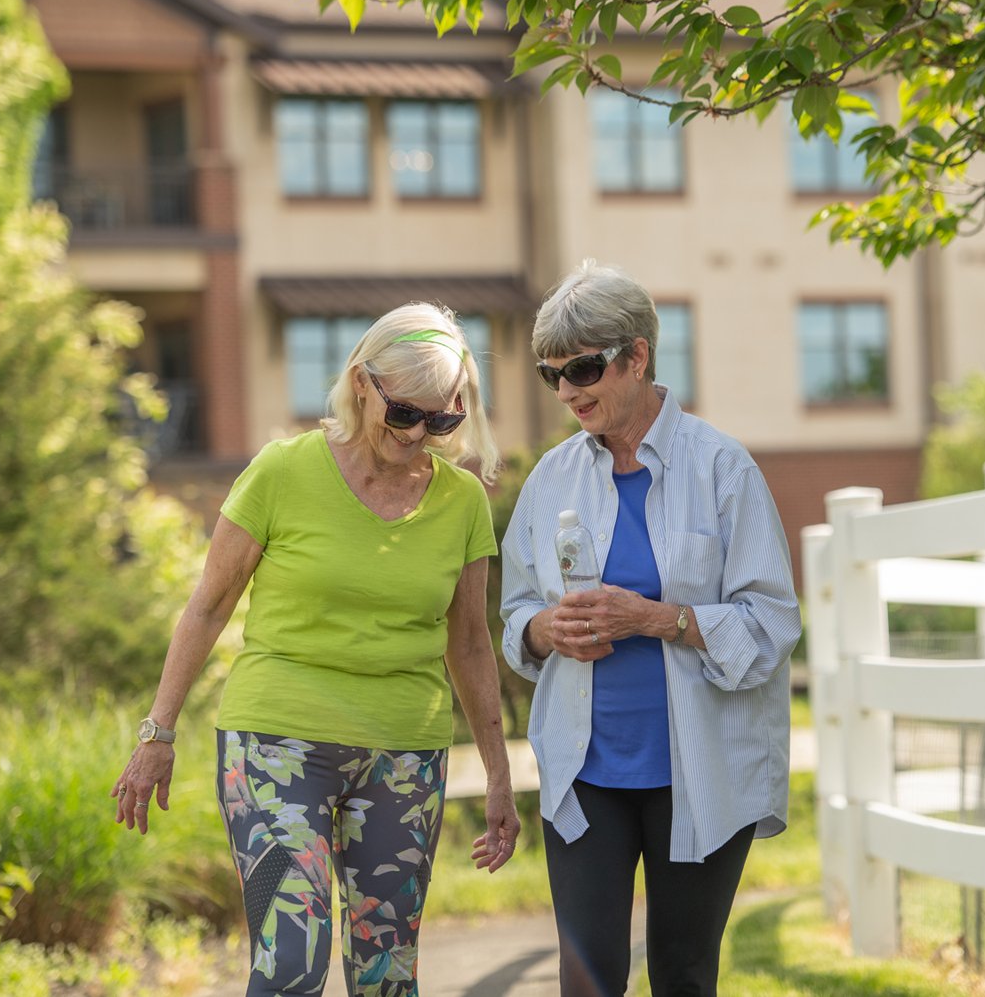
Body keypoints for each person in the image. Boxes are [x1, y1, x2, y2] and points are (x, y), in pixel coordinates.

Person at [110, 302, 521, 997]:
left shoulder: (461, 503)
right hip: (275, 742)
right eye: (405, 414)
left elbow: (472, 645)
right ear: (362, 383)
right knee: (292, 958)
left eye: (441, 420)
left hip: (403, 752)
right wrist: (158, 731)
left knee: (387, 974)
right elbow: (208, 605)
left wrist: (499, 773)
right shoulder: (282, 471)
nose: (421, 434)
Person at [500, 260, 802, 997]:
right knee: (589, 979)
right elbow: (514, 616)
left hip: (699, 768)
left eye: (583, 368)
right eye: (552, 375)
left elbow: (772, 625)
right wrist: (545, 631)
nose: (569, 391)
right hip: (586, 770)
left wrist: (660, 619)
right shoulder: (550, 480)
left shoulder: (723, 468)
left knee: (685, 972)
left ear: (636, 356)